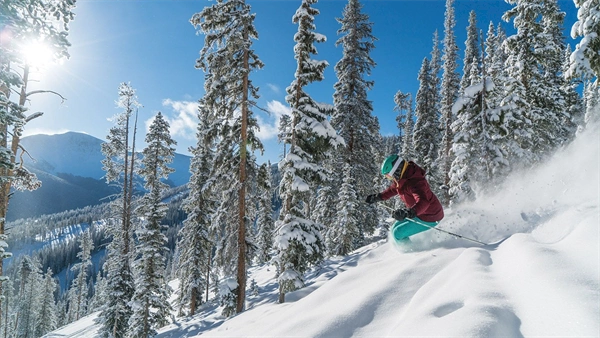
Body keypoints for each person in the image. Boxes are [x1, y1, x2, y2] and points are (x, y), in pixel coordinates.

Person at [366, 155, 444, 242]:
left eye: (389, 175)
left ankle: (411, 254)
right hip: (419, 213)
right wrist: (378, 197)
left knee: (398, 233)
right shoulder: (404, 178)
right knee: (394, 229)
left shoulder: (415, 182)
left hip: (430, 216)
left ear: (396, 170)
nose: (390, 178)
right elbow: (393, 189)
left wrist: (409, 212)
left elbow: (424, 201)